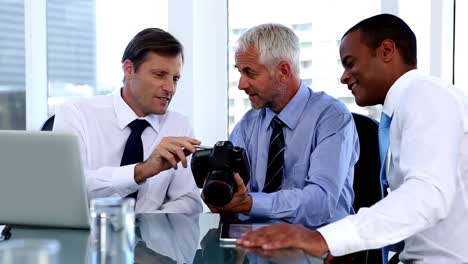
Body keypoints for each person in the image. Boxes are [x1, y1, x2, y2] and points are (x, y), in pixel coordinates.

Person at [237, 14, 468, 263]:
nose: (344, 77)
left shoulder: (425, 95)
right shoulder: (404, 109)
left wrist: (325, 238)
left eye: (350, 63)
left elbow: (426, 195)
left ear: (387, 51)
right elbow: (416, 217)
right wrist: (352, 241)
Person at [204, 23, 359, 229]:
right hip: (255, 244)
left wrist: (249, 203)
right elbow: (236, 191)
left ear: (283, 71)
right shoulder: (247, 124)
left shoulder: (332, 117)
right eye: (239, 72)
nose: (241, 84)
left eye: (250, 73)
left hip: (318, 245)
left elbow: (321, 201)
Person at [54, 28, 203, 213]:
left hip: (152, 240)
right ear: (129, 69)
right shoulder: (76, 114)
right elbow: (70, 188)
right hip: (88, 237)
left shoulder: (180, 125)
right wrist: (142, 171)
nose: (170, 88)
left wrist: (146, 230)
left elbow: (188, 200)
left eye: (175, 78)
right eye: (159, 75)